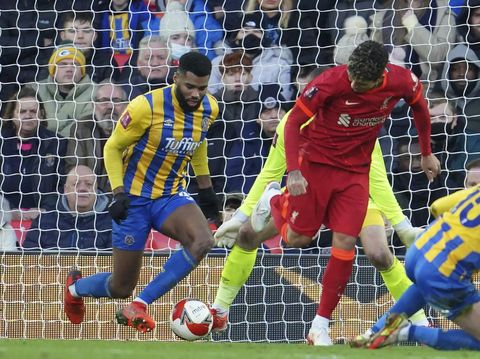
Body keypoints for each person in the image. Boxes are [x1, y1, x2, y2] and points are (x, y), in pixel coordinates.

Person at [213, 41, 440, 345]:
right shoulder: (326, 88)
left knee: (362, 249)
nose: (356, 85)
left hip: (355, 177)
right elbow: (280, 149)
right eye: (353, 79)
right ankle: (274, 201)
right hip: (314, 172)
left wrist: (424, 159)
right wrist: (257, 201)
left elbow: (384, 172)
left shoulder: (400, 82)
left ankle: (321, 326)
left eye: (363, 82)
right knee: (296, 239)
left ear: (381, 75)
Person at [63, 52, 221, 334]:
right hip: (133, 199)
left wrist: (207, 191)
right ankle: (75, 289)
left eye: (202, 88)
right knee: (120, 286)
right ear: (177, 78)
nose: (196, 94)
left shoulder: (210, 109)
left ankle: (140, 304)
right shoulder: (145, 106)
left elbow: (198, 146)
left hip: (169, 196)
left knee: (202, 241)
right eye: (190, 87)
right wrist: (118, 192)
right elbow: (111, 147)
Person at [352, 185, 480, 350]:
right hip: (442, 271)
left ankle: (375, 332)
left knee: (423, 286)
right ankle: (405, 332)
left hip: (420, 249)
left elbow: (437, 206)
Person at [0, 86, 67, 221]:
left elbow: (63, 184)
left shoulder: (57, 143)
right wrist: (10, 211)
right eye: (22, 111)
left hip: (45, 217)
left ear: (41, 114)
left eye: (33, 111)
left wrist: (46, 209)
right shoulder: (1, 142)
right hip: (4, 216)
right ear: (13, 115)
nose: (28, 115)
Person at [22, 165, 112, 251]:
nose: (82, 189)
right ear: (65, 189)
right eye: (76, 184)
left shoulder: (111, 223)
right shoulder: (43, 221)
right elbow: (28, 260)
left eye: (89, 184)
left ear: (96, 189)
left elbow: (114, 264)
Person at [66, 82, 128, 193]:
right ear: (93, 106)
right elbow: (74, 167)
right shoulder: (81, 127)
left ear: (126, 106)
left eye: (116, 101)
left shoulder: (134, 130)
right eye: (104, 101)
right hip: (88, 194)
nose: (110, 106)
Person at [36, 43, 95, 137]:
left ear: (82, 71)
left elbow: (83, 127)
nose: (69, 69)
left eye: (75, 64)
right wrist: (64, 119)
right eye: (63, 65)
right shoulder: (35, 90)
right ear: (53, 71)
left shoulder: (96, 93)